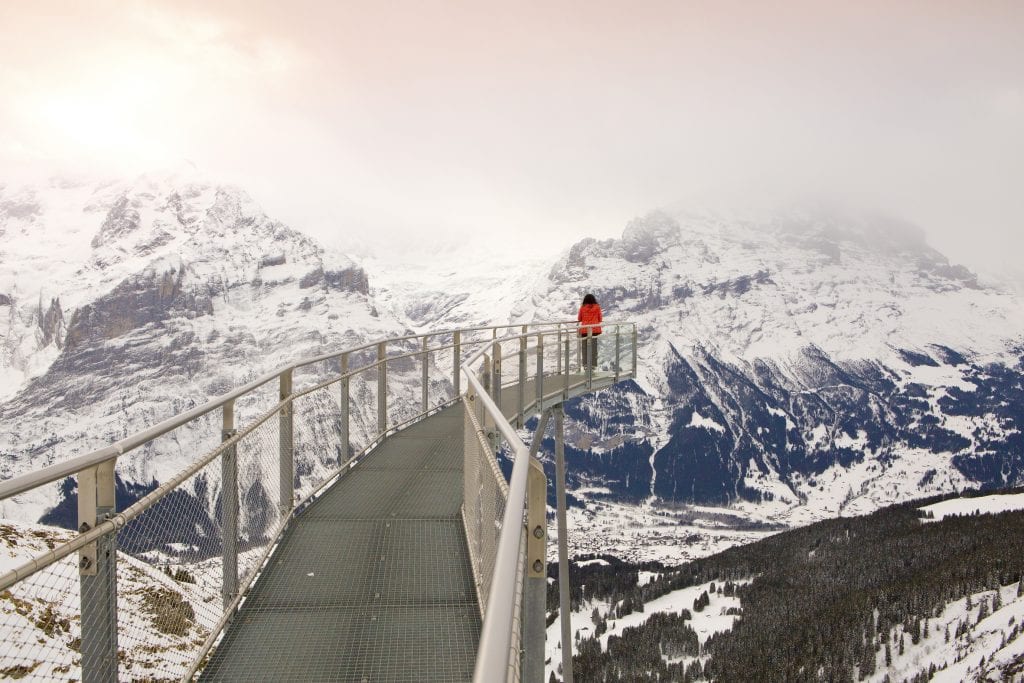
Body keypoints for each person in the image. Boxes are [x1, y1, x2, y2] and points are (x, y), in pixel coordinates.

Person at [577, 293, 602, 369]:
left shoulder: (582, 307)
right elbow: (600, 319)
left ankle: (585, 365)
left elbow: (579, 319)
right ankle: (593, 365)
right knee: (593, 347)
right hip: (594, 329)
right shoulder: (597, 307)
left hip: (585, 330)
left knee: (585, 348)